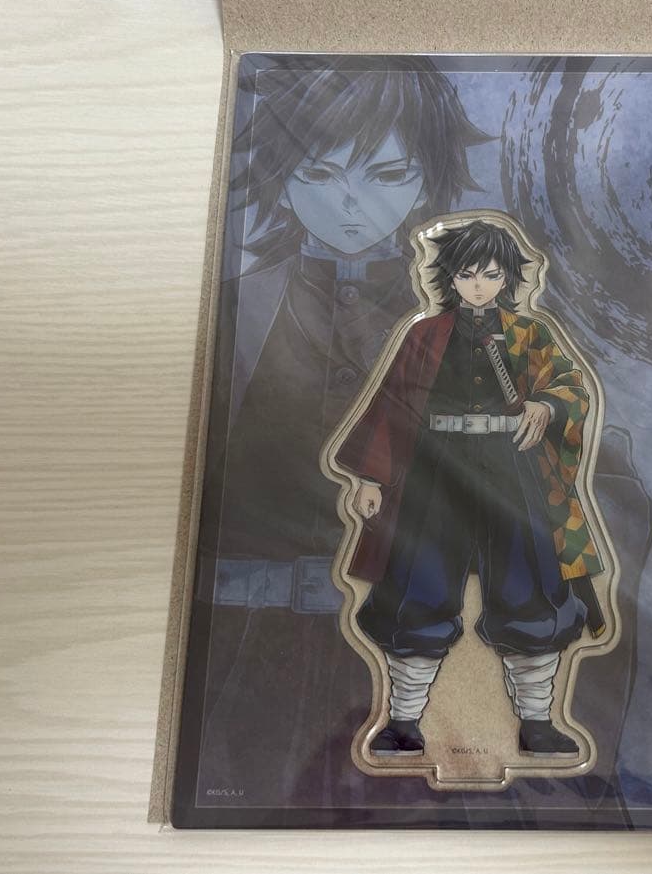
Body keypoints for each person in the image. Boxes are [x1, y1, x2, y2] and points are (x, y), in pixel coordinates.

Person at [194, 56, 490, 804]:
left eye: (387, 175)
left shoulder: (469, 328)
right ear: (283, 177)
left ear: (427, 180)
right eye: (320, 175)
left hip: (422, 652)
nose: (351, 204)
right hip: (239, 653)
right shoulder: (233, 310)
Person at [332, 219, 605, 757]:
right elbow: (393, 402)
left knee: (530, 588)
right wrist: (371, 476)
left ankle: (537, 722)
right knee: (419, 584)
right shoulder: (425, 334)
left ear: (507, 278)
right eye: (467, 274)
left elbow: (572, 386)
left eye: (490, 274)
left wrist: (544, 405)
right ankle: (402, 721)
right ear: (450, 277)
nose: (478, 285)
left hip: (514, 468)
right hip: (437, 468)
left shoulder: (529, 333)